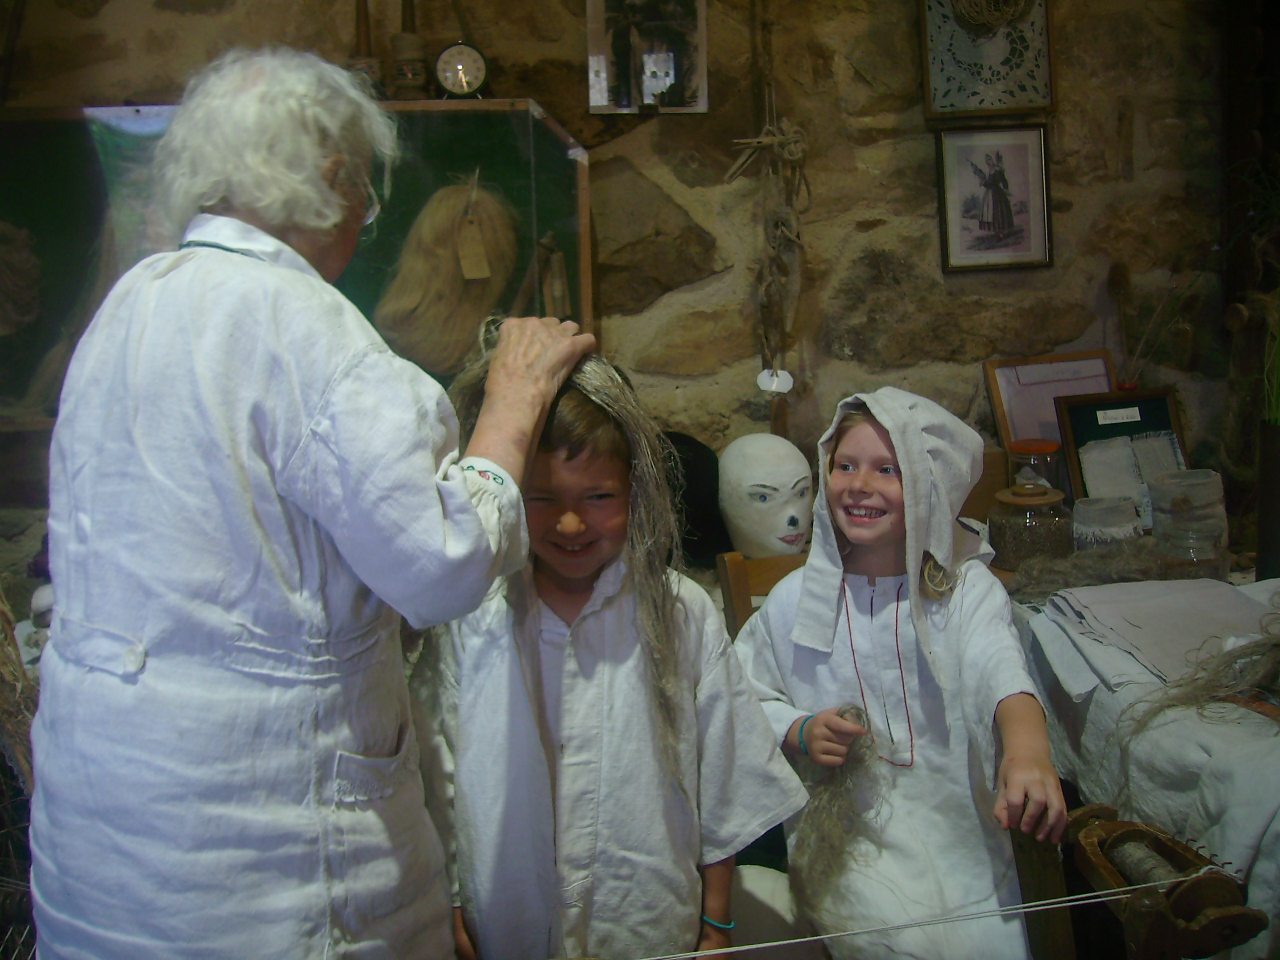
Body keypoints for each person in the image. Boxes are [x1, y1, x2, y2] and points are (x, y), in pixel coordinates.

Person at [28, 48, 593, 960]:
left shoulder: (129, 304)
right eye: (365, 194)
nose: (364, 221)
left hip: (108, 845)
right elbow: (439, 566)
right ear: (334, 180)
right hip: (261, 871)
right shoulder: (302, 324)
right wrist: (513, 405)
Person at [416, 351, 808, 960]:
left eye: (599, 496)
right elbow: (438, 766)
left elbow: (723, 773)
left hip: (645, 915)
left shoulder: (679, 612)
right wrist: (453, 897)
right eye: (542, 498)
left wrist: (717, 918)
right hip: (510, 915)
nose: (571, 524)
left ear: (636, 491)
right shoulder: (475, 616)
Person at [735, 387, 1067, 960]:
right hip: (851, 845)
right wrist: (798, 728)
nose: (859, 484)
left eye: (887, 469)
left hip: (967, 837)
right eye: (845, 466)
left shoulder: (964, 591)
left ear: (929, 482)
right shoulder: (793, 602)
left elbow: (1000, 668)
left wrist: (1028, 749)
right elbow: (739, 698)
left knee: (991, 941)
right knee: (888, 940)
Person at [970, 152, 1015, 236]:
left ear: (993, 160)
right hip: (990, 193)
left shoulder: (997, 170)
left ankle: (1001, 232)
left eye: (989, 159)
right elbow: (989, 183)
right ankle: (997, 232)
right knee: (990, 212)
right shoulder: (989, 171)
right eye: (986, 160)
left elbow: (1001, 181)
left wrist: (984, 183)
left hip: (997, 194)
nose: (988, 162)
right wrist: (983, 181)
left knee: (998, 211)